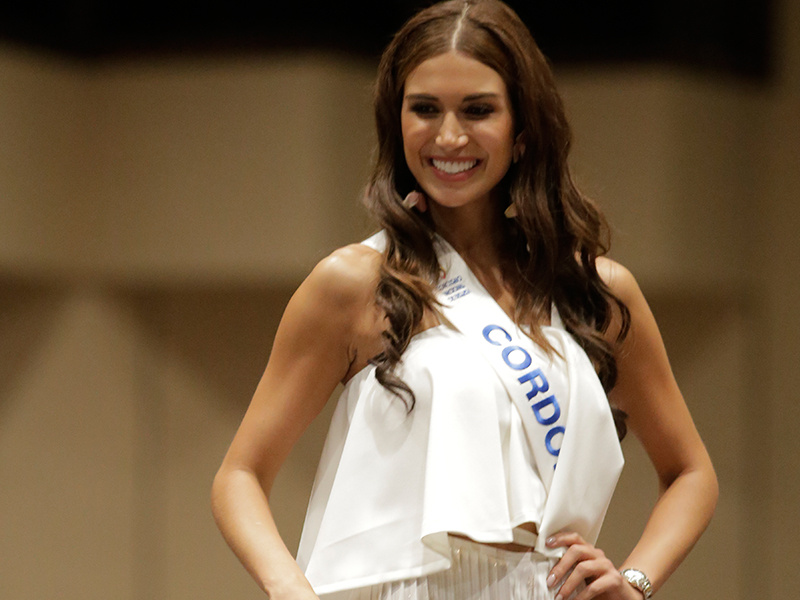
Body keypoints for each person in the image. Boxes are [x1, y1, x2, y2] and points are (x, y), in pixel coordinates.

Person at [211, 1, 718, 598]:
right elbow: (239, 475)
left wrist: (634, 581)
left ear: (523, 130)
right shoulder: (355, 284)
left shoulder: (595, 292)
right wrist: (290, 588)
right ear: (396, 123)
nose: (449, 136)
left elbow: (692, 472)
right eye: (424, 109)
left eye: (478, 110)